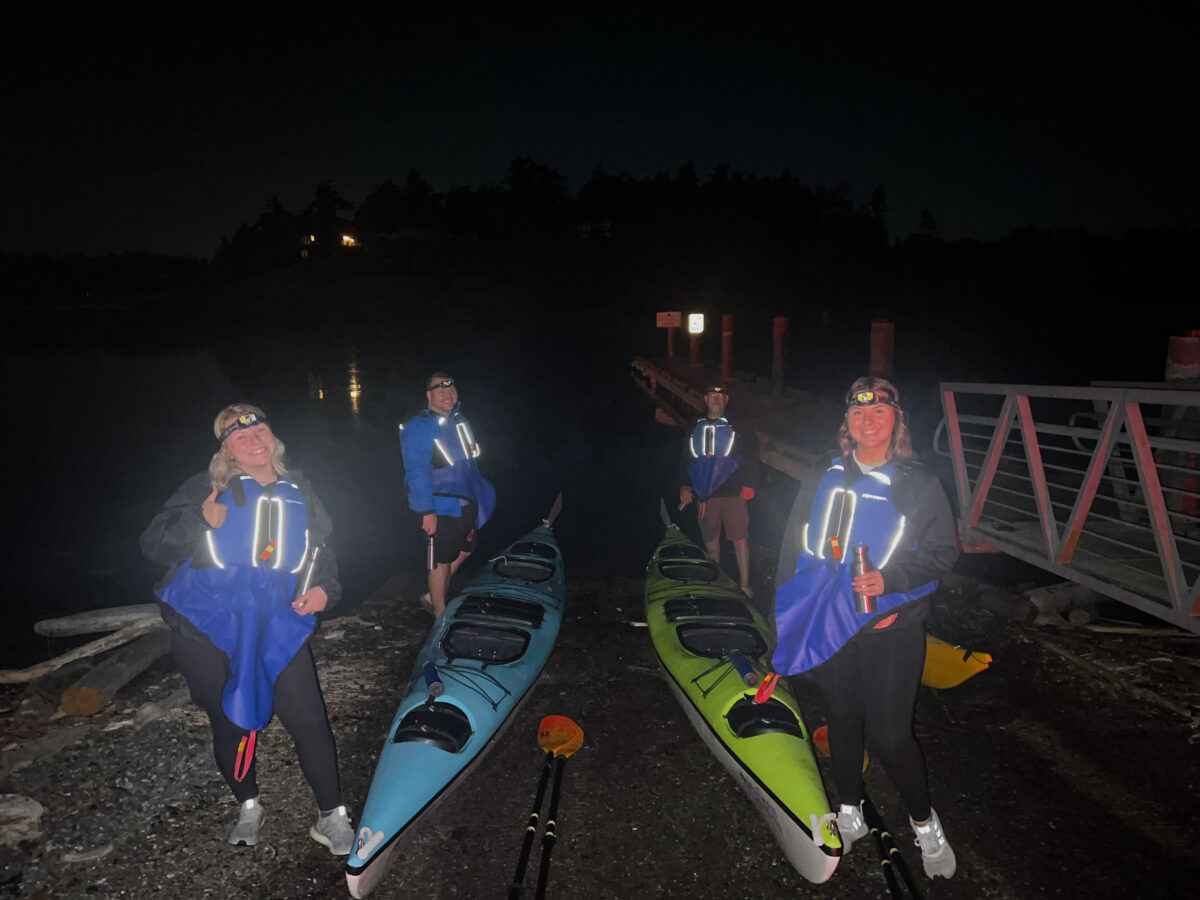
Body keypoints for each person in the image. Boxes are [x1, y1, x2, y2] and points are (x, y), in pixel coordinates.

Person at [141, 404, 354, 854]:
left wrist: (325, 591)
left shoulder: (300, 487)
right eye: (240, 436)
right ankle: (249, 805)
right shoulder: (204, 488)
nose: (254, 439)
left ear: (272, 436)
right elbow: (153, 544)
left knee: (309, 719)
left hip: (276, 622)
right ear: (227, 451)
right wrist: (201, 520)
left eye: (260, 429)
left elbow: (321, 550)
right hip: (206, 625)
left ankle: (331, 815)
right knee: (229, 719)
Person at [771, 376, 960, 879]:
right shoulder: (824, 472)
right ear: (846, 423)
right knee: (841, 716)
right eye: (858, 413)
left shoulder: (917, 482)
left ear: (896, 420)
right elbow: (795, 543)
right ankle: (850, 811)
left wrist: (889, 579)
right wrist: (788, 618)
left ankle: (924, 824)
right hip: (830, 623)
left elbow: (943, 553)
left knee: (892, 735)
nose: (867, 420)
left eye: (878, 412)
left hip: (889, 626)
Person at [399, 372, 496, 617]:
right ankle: (440, 614)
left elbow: (470, 463)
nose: (448, 394)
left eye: (451, 389)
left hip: (466, 499)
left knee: (466, 549)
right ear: (429, 395)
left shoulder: (459, 419)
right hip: (440, 503)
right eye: (440, 390)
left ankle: (434, 593)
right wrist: (426, 511)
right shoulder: (420, 424)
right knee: (440, 561)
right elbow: (416, 471)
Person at [679, 383, 758, 596]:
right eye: (711, 395)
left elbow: (752, 455)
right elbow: (687, 459)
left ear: (726, 401)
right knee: (710, 539)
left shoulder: (739, 425)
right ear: (705, 399)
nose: (715, 399)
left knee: (740, 538)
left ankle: (744, 584)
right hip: (706, 494)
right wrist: (685, 486)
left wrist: (749, 485)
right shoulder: (694, 426)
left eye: (720, 396)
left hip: (734, 493)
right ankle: (717, 580)